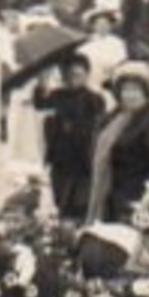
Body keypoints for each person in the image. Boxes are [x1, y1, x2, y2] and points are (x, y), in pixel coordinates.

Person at [86, 61, 149, 225]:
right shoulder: (110, 119)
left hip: (136, 199)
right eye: (125, 90)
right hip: (108, 196)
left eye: (136, 90)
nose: (130, 95)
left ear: (146, 93)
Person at [33, 54, 107, 221]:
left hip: (83, 160)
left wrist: (75, 127)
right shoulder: (57, 95)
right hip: (60, 158)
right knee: (61, 200)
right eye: (70, 75)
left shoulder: (95, 99)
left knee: (81, 202)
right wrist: (41, 83)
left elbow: (98, 126)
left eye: (79, 75)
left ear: (87, 75)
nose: (74, 79)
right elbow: (40, 105)